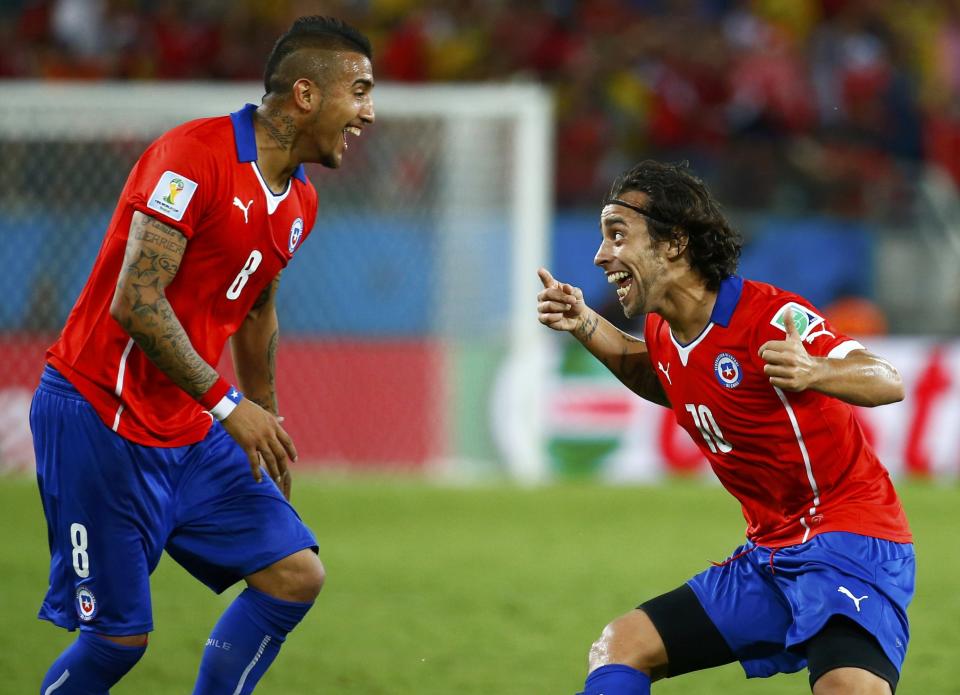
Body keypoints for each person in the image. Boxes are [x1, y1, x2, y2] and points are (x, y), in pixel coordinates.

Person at [30, 15, 375, 694]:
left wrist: (266, 426)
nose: (368, 111)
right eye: (359, 90)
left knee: (294, 573)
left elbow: (256, 310)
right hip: (101, 416)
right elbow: (136, 298)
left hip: (186, 426)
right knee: (117, 640)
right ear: (306, 95)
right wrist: (230, 405)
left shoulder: (300, 200)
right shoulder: (193, 155)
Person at [537, 160, 913, 695]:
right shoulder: (664, 332)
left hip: (849, 541)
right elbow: (660, 377)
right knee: (620, 646)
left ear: (674, 242)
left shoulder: (771, 316)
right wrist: (586, 324)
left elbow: (887, 379)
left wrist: (816, 368)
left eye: (618, 235)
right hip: (771, 556)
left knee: (850, 690)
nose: (601, 256)